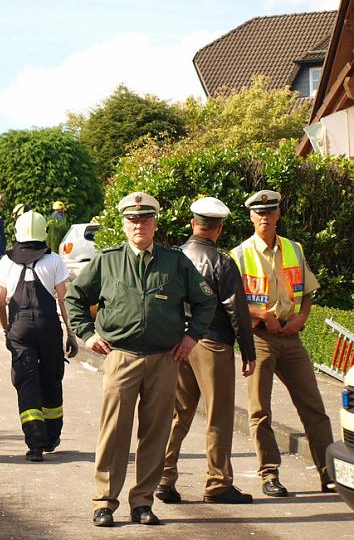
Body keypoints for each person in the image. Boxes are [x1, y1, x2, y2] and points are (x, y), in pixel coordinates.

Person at [65, 191, 216, 528]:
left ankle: (142, 502)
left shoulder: (175, 262)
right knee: (114, 433)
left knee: (155, 433)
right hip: (121, 357)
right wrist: (87, 334)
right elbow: (75, 298)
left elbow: (206, 302)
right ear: (123, 224)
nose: (139, 225)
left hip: (164, 360)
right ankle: (104, 502)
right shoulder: (107, 260)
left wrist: (192, 337)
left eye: (145, 219)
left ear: (154, 223)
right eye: (133, 219)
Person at [229, 189, 334, 497]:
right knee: (260, 411)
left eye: (269, 211)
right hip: (260, 337)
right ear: (251, 217)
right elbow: (231, 301)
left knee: (314, 407)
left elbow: (308, 292)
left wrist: (301, 319)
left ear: (277, 215)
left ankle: (329, 474)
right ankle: (269, 474)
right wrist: (261, 313)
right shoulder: (239, 255)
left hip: (291, 338)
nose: (264, 216)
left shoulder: (294, 249)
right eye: (258, 212)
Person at [156, 197, 257, 505]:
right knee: (219, 414)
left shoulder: (174, 258)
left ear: (192, 224)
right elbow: (236, 310)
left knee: (178, 414)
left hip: (179, 344)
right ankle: (217, 482)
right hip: (213, 342)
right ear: (219, 228)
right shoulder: (222, 262)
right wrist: (249, 351)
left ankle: (163, 476)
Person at [0, 211, 74, 461]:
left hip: (19, 328)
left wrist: (6, 330)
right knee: (51, 378)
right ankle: (52, 436)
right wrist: (71, 334)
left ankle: (35, 444)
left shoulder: (7, 262)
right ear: (43, 233)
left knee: (26, 382)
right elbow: (64, 300)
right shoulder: (54, 261)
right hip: (48, 327)